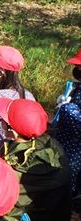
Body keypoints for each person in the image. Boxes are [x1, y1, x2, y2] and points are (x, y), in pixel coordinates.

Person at [0, 98, 71, 221]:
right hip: (55, 215)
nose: (0, 120)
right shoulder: (51, 143)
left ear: (12, 131)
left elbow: (3, 202)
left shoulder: (15, 166)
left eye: (3, 119)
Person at [54, 49, 81, 200]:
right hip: (66, 139)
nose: (77, 70)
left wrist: (67, 108)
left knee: (70, 176)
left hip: (76, 147)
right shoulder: (76, 87)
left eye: (80, 67)